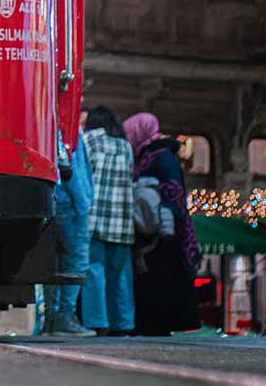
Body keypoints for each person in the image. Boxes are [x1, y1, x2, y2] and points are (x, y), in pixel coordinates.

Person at [123, 112, 200, 336]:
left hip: (164, 236)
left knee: (161, 283)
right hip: (151, 234)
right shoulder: (147, 156)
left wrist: (165, 223)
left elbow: (173, 192)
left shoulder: (161, 156)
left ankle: (158, 326)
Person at [81, 106, 135, 335]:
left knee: (94, 272)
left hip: (94, 218)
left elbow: (83, 176)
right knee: (120, 275)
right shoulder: (125, 146)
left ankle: (97, 322)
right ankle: (122, 324)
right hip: (122, 221)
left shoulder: (90, 141)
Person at [42, 120, 95, 337]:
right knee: (75, 261)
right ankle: (65, 316)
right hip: (71, 202)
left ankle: (51, 318)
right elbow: (74, 167)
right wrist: (83, 203)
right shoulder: (67, 124)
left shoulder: (50, 121)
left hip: (52, 200)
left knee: (51, 263)